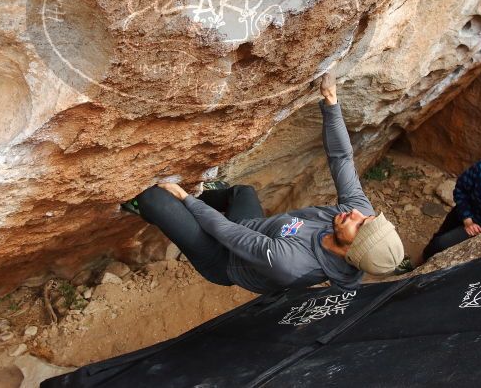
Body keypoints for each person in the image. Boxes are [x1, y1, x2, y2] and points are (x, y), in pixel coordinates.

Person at [120, 71, 405, 294]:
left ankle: (147, 206)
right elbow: (342, 159)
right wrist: (331, 102)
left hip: (225, 259)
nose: (357, 214)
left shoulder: (293, 264)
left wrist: (184, 198)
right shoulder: (357, 213)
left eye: (360, 225)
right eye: (367, 217)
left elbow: (228, 233)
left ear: (351, 251)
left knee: (154, 198)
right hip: (252, 229)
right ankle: (198, 197)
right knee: (243, 193)